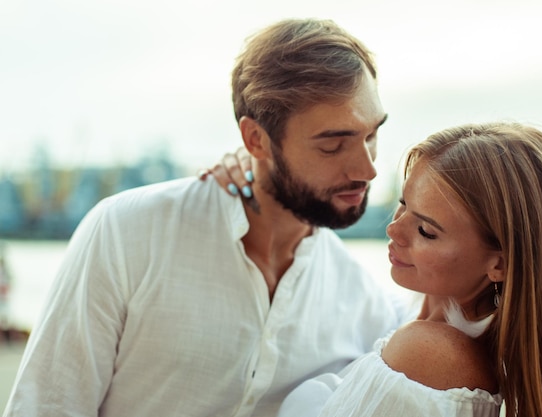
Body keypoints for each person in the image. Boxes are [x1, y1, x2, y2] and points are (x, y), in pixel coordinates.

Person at [3, 19, 405, 417]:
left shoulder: (366, 303)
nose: (367, 169)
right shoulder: (126, 234)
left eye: (371, 135)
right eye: (333, 145)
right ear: (256, 140)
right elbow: (46, 406)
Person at [273, 122, 542, 417]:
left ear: (500, 264)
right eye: (403, 203)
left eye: (426, 230)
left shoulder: (428, 354)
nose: (394, 229)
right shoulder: (429, 335)